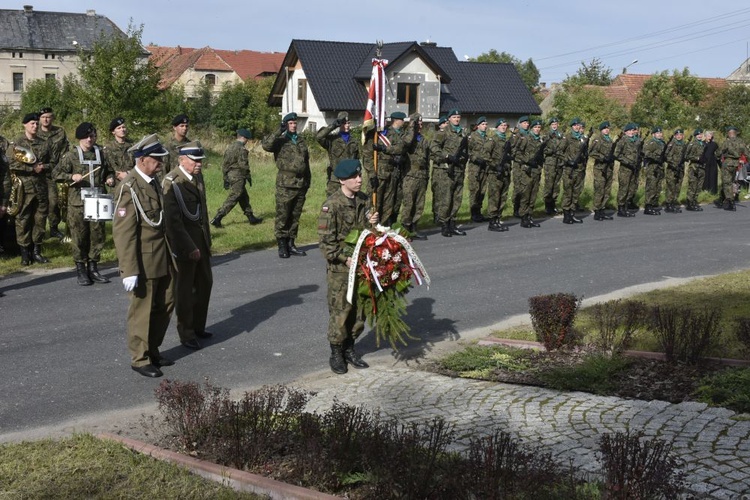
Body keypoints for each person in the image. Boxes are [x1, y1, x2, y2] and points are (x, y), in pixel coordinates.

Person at [113, 133, 174, 378]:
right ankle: (140, 358)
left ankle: (153, 349)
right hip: (144, 260)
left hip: (163, 256)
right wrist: (129, 269)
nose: (160, 163)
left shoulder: (152, 181)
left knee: (165, 304)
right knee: (142, 310)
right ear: (141, 159)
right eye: (156, 159)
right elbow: (123, 233)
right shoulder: (128, 187)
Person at [317, 159, 379, 374]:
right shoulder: (331, 205)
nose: (359, 179)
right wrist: (345, 259)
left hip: (362, 265)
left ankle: (350, 348)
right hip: (341, 270)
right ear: (343, 180)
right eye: (354, 177)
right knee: (340, 312)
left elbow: (371, 233)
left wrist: (374, 223)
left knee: (360, 311)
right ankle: (336, 352)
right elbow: (326, 243)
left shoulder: (363, 200)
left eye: (360, 175)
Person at [163, 141, 213, 350]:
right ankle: (186, 332)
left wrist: (205, 241)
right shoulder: (172, 181)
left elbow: (202, 210)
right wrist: (187, 246)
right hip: (184, 243)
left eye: (200, 160)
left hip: (200, 238)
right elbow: (173, 222)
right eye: (195, 160)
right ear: (182, 160)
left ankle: (198, 326)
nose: (199, 164)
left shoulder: (196, 177)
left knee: (205, 284)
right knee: (184, 290)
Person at [55, 122, 115, 286]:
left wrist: (110, 178)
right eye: (87, 136)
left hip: (97, 200)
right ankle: (81, 269)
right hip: (78, 203)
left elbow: (109, 170)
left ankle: (94, 268)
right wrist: (71, 177)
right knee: (79, 236)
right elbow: (56, 173)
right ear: (80, 137)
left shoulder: (101, 153)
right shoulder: (71, 155)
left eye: (93, 136)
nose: (90, 139)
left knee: (97, 235)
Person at [262, 112, 311, 258]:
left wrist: (308, 182)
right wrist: (279, 130)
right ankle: (282, 245)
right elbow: (266, 145)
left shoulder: (301, 141)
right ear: (285, 125)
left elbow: (306, 163)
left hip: (300, 183)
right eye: (290, 123)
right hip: (285, 184)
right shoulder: (280, 140)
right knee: (283, 215)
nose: (294, 125)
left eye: (295, 123)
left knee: (295, 216)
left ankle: (291, 243)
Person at [9, 113, 52, 265]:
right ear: (25, 125)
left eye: (36, 123)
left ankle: (37, 251)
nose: (35, 126)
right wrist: (31, 169)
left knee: (40, 220)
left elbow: (52, 163)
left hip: (41, 188)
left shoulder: (44, 143)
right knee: (23, 220)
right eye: (32, 124)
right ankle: (25, 253)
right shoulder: (17, 143)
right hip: (24, 189)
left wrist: (43, 167)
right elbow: (11, 165)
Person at [211, 129, 263, 227]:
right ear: (243, 138)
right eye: (247, 139)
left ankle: (251, 217)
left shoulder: (230, 147)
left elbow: (225, 164)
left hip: (231, 175)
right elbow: (243, 165)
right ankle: (217, 218)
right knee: (234, 197)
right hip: (238, 176)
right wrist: (248, 176)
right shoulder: (241, 149)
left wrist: (225, 177)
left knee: (243, 197)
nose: (247, 141)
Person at [430, 109, 468, 237]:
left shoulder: (463, 133)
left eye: (458, 117)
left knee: (457, 198)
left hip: (459, 169)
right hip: (446, 170)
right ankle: (444, 224)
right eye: (454, 117)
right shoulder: (443, 132)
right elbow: (434, 147)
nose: (457, 119)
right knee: (446, 198)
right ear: (449, 119)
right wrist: (447, 156)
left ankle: (452, 223)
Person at [37, 107, 69, 240]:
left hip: (54, 173)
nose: (46, 119)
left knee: (54, 202)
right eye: (43, 117)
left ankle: (54, 228)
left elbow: (65, 150)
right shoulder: (35, 132)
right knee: (39, 203)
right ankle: (39, 231)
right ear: (39, 119)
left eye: (48, 117)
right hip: (38, 174)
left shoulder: (59, 132)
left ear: (53, 118)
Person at [372, 111, 408, 226]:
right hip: (382, 171)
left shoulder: (403, 133)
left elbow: (401, 148)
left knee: (391, 201)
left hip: (396, 172)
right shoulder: (383, 133)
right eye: (402, 120)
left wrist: (385, 149)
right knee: (378, 200)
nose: (403, 122)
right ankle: (374, 225)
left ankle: (386, 225)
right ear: (396, 120)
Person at [400, 113, 429, 240]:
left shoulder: (423, 139)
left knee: (419, 204)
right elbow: (405, 144)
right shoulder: (407, 137)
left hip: (422, 175)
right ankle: (405, 229)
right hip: (410, 175)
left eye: (421, 123)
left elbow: (427, 159)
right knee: (409, 203)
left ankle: (414, 227)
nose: (420, 125)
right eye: (418, 123)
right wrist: (412, 125)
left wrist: (427, 175)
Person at [316, 112, 360, 196]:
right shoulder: (332, 140)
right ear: (339, 124)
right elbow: (319, 137)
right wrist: (333, 125)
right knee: (332, 205)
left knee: (350, 204)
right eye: (343, 123)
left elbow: (357, 161)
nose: (346, 125)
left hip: (350, 179)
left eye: (348, 123)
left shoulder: (354, 141)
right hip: (335, 180)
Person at [514, 119, 545, 228]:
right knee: (525, 195)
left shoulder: (540, 140)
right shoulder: (526, 139)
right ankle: (523, 218)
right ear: (532, 128)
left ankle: (529, 216)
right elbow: (517, 153)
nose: (537, 129)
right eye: (535, 127)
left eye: (539, 128)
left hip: (536, 171)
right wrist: (527, 160)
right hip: (527, 171)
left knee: (533, 195)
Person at [486, 118, 512, 232]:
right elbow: (485, 155)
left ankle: (498, 219)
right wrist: (495, 165)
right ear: (497, 127)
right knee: (494, 197)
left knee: (503, 196)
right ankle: (492, 221)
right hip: (495, 173)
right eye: (501, 125)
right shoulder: (492, 140)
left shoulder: (506, 140)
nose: (503, 127)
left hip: (505, 172)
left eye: (505, 125)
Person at [467, 116, 494, 223]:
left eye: (486, 124)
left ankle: (479, 212)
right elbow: (467, 151)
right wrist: (475, 159)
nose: (485, 126)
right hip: (475, 168)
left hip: (484, 168)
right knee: (475, 190)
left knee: (482, 191)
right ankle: (473, 213)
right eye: (483, 124)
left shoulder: (488, 138)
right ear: (478, 126)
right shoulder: (472, 137)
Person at [560, 117, 586, 224]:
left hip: (579, 169)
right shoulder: (567, 138)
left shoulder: (583, 139)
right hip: (569, 170)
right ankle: (566, 215)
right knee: (568, 193)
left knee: (576, 193)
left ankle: (572, 213)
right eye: (575, 125)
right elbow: (559, 152)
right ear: (572, 127)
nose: (577, 127)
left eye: (578, 125)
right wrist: (568, 161)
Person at [588, 121, 616, 220]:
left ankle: (602, 209)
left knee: (607, 191)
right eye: (605, 128)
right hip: (600, 168)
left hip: (609, 169)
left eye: (608, 128)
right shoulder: (597, 139)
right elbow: (591, 152)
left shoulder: (610, 140)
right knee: (599, 190)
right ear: (601, 129)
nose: (607, 130)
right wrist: (602, 158)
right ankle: (597, 211)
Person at [717, 126, 748, 211]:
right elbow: (747, 153)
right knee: (731, 181)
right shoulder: (741, 142)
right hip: (736, 164)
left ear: (729, 133)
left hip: (727, 163)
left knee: (727, 183)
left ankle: (730, 201)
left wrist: (718, 157)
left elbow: (719, 152)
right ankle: (726, 199)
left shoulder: (727, 142)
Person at [614, 123, 640, 218]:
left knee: (631, 188)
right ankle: (621, 208)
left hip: (633, 168)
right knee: (623, 189)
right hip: (625, 169)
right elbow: (617, 154)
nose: (632, 132)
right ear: (625, 132)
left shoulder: (636, 141)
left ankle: (626, 206)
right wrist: (627, 162)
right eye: (629, 130)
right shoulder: (623, 141)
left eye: (633, 130)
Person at [104, 117, 134, 194]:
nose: (122, 130)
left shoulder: (133, 146)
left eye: (123, 127)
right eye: (119, 128)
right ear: (113, 132)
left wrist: (128, 173)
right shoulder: (108, 148)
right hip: (116, 188)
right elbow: (106, 168)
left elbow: (139, 165)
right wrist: (111, 177)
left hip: (132, 184)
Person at [542, 117, 564, 215]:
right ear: (550, 125)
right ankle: (547, 206)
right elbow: (542, 149)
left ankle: (553, 205)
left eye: (556, 124)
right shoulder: (546, 136)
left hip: (559, 162)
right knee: (549, 184)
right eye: (552, 124)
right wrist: (550, 151)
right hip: (550, 163)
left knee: (556, 185)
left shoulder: (561, 135)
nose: (554, 126)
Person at [642, 126, 666, 215]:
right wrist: (656, 158)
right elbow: (645, 152)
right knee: (651, 187)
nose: (659, 134)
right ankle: (648, 206)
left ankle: (653, 204)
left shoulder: (662, 143)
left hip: (660, 167)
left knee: (658, 187)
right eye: (657, 133)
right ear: (653, 134)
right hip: (652, 167)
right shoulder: (651, 142)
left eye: (660, 133)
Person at [663, 129, 687, 213]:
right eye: (677, 135)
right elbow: (666, 156)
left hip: (680, 168)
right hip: (672, 169)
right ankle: (669, 204)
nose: (679, 136)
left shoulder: (684, 144)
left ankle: (674, 202)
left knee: (678, 185)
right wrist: (673, 164)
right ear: (675, 136)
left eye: (681, 135)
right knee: (671, 186)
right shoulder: (672, 144)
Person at [510, 116, 530, 217]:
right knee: (518, 186)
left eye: (527, 123)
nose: (526, 125)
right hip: (518, 164)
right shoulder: (516, 135)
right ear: (520, 124)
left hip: (528, 164)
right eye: (524, 123)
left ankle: (524, 208)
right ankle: (516, 208)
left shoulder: (529, 134)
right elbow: (513, 150)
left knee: (526, 187)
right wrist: (521, 159)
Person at [684, 129, 707, 211]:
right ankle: (689, 203)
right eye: (698, 135)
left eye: (701, 134)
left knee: (699, 186)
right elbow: (686, 156)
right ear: (695, 136)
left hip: (702, 167)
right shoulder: (692, 144)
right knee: (693, 185)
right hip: (694, 167)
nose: (700, 136)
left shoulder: (703, 144)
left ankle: (694, 201)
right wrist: (697, 158)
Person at [431, 115, 448, 223]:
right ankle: (437, 215)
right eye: (445, 123)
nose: (447, 125)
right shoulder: (438, 135)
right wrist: (444, 157)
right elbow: (433, 152)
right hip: (438, 168)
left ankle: (443, 215)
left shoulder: (449, 136)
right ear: (441, 125)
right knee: (438, 193)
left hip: (446, 169)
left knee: (445, 194)